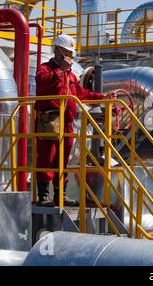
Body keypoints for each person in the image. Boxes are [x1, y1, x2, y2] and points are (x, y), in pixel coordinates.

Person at [35, 34, 105, 207]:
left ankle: (61, 195)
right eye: (67, 53)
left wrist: (103, 97)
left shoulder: (71, 76)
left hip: (67, 123)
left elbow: (81, 94)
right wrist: (59, 71)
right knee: (47, 158)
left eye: (71, 54)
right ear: (58, 51)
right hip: (50, 121)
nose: (70, 57)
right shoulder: (44, 69)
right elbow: (42, 85)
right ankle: (44, 196)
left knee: (63, 159)